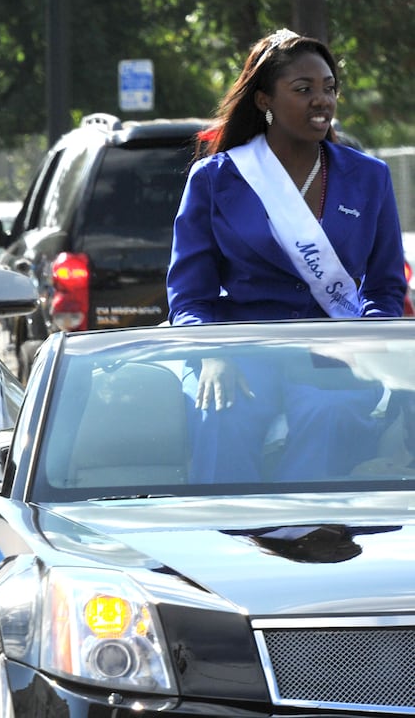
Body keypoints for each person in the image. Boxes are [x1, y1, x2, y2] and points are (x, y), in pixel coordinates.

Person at [167, 28, 405, 481]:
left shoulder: (368, 177)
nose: (322, 100)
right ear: (264, 101)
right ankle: (230, 540)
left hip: (335, 356)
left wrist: (369, 344)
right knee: (222, 416)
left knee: (330, 414)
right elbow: (189, 296)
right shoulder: (217, 179)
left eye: (329, 88)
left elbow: (385, 287)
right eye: (304, 89)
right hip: (239, 351)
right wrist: (213, 354)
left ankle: (301, 536)